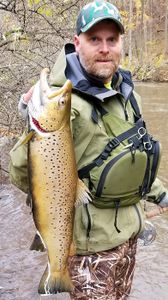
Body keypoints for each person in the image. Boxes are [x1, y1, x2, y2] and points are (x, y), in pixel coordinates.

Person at [9, 1, 168, 299]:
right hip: (89, 253)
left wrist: (159, 192)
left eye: (112, 40)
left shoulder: (126, 92)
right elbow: (22, 176)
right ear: (77, 43)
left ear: (121, 43)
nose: (105, 48)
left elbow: (131, 156)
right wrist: (29, 120)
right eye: (95, 39)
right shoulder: (63, 100)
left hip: (129, 236)